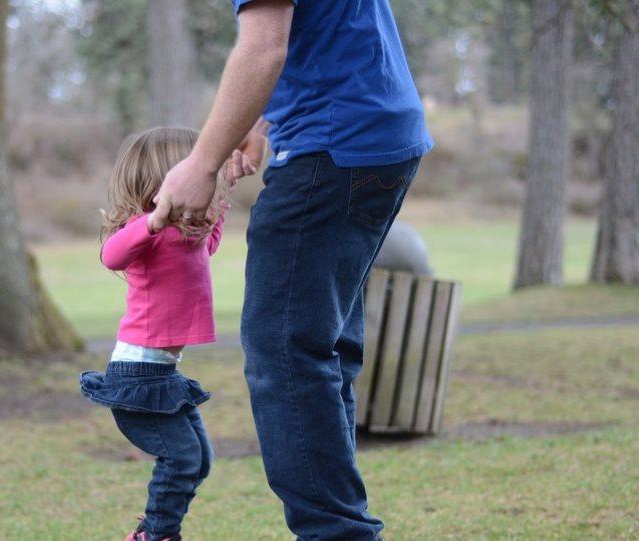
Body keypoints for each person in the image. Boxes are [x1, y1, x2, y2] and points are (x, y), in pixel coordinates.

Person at [150, 1, 434, 539]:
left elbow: (263, 45)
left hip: (332, 147)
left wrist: (202, 163)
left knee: (283, 353)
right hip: (377, 138)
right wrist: (258, 120)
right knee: (320, 351)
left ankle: (338, 534)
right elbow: (314, 30)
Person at [79, 127, 238, 541]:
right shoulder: (144, 234)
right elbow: (110, 254)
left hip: (163, 375)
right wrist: (152, 220)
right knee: (182, 459)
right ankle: (157, 535)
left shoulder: (186, 238)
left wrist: (224, 192)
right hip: (136, 377)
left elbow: (210, 242)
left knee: (199, 461)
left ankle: (152, 531)